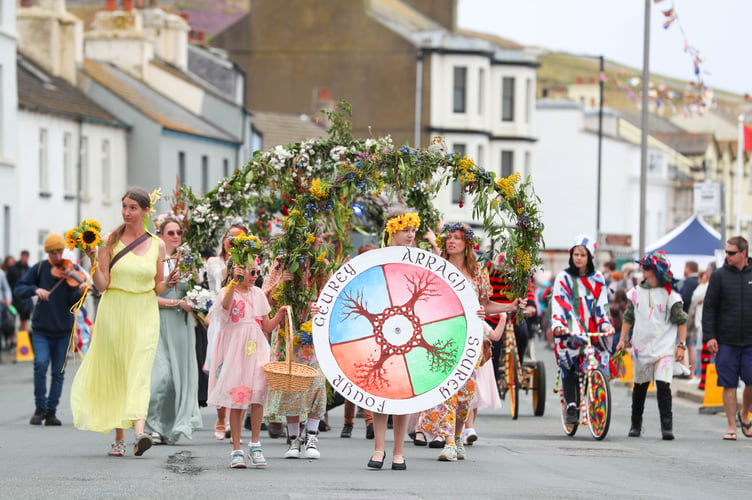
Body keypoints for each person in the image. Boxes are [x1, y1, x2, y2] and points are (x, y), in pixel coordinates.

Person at [70, 187, 180, 457]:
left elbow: (157, 288)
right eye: (124, 206)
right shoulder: (109, 241)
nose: (127, 212)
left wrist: (170, 282)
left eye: (133, 207)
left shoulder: (158, 244)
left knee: (140, 370)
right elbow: (103, 285)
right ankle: (120, 437)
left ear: (145, 211)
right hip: (114, 310)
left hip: (144, 311)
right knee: (118, 371)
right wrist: (93, 259)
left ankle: (140, 432)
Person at [415, 222, 517, 462]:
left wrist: (510, 306)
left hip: (470, 341)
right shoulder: (438, 268)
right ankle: (448, 442)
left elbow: (484, 304)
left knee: (464, 396)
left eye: (457, 238)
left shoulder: (478, 271)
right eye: (449, 237)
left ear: (467, 243)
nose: (452, 241)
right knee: (446, 392)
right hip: (441, 338)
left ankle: (458, 436)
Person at [206, 252, 289, 468]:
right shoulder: (227, 292)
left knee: (258, 394)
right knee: (237, 397)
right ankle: (236, 449)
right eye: (251, 272)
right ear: (238, 272)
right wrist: (233, 283)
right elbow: (225, 307)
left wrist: (279, 314)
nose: (255, 276)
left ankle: (255, 444)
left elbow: (267, 327)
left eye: (257, 272)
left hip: (257, 347)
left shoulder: (259, 294)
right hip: (236, 350)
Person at [13, 234, 85, 425]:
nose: (58, 256)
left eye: (60, 252)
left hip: (63, 329)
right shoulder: (40, 269)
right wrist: (35, 290)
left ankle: (51, 412)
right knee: (40, 365)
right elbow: (19, 289)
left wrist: (79, 292)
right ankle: (40, 408)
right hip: (41, 329)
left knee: (58, 373)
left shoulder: (71, 271)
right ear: (48, 253)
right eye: (54, 252)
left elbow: (73, 303)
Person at [616, 252, 687, 440]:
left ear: (656, 271)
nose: (643, 271)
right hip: (641, 348)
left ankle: (667, 427)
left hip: (664, 348)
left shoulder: (670, 295)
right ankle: (635, 424)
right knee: (639, 388)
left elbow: (681, 320)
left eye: (647, 268)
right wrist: (622, 339)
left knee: (664, 387)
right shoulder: (637, 292)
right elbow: (628, 317)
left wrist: (681, 345)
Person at [145, 216, 202, 444]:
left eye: (179, 232)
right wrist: (178, 303)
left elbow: (196, 289)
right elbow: (149, 297)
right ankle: (153, 425)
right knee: (162, 376)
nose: (176, 236)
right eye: (170, 232)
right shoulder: (153, 261)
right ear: (160, 235)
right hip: (158, 321)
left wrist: (197, 297)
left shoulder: (187, 261)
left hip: (182, 325)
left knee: (181, 376)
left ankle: (168, 427)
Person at [263, 264, 326, 460]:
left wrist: (321, 308)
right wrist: (281, 283)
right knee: (291, 384)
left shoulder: (321, 265)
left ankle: (312, 436)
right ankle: (293, 439)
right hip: (287, 333)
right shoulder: (279, 265)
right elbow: (265, 301)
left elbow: (333, 298)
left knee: (317, 383)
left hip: (312, 334)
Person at [550, 234, 614, 425]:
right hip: (568, 329)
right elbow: (558, 303)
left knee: (598, 362)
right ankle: (571, 405)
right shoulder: (563, 277)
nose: (578, 258)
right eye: (576, 254)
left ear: (590, 257)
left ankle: (597, 395)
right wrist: (559, 325)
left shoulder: (598, 278)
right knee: (569, 365)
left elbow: (602, 304)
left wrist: (606, 323)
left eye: (583, 255)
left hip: (592, 331)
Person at [701, 236, 752, 441]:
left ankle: (744, 413)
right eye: (726, 252)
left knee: (751, 381)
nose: (727, 256)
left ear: (743, 253)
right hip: (726, 341)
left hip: (750, 340)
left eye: (731, 253)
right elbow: (709, 308)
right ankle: (732, 425)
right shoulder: (719, 276)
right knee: (729, 384)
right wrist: (710, 336)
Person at [204, 223, 247, 440]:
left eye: (238, 239)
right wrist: (235, 258)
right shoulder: (215, 262)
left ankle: (233, 418)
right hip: (221, 318)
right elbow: (222, 278)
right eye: (230, 238)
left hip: (242, 318)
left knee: (240, 369)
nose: (232, 241)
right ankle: (221, 416)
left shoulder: (250, 262)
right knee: (220, 367)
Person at [679, 261, 699, 376]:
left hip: (687, 316)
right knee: (693, 346)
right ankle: (693, 372)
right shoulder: (698, 282)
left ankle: (687, 371)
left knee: (688, 345)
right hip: (697, 317)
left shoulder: (689, 282)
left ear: (688, 268)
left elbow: (684, 299)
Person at [8, 250, 33, 336]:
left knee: (24, 321)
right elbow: (8, 284)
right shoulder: (12, 269)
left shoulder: (30, 270)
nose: (24, 259)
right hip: (14, 299)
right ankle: (12, 340)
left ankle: (23, 343)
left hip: (25, 300)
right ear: (21, 256)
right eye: (23, 256)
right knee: (11, 321)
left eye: (26, 257)